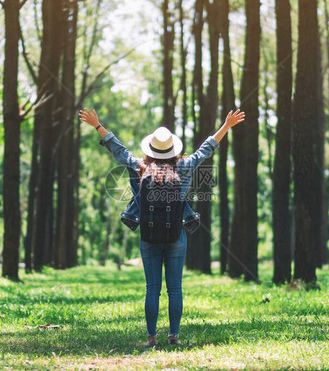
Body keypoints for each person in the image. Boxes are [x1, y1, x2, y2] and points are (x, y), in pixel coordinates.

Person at [79, 108, 245, 347]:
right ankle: (174, 336)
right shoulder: (185, 167)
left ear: (151, 149)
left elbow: (120, 150)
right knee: (175, 290)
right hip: (176, 235)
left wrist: (98, 126)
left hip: (148, 235)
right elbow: (205, 150)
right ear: (173, 149)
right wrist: (226, 126)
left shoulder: (139, 167)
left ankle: (151, 337)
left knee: (152, 289)